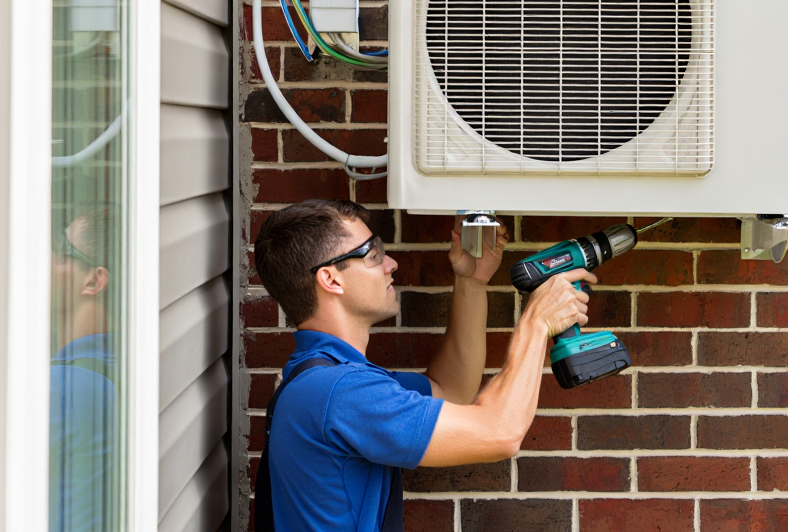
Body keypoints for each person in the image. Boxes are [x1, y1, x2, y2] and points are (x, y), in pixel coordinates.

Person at [254, 199, 594, 531]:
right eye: (372, 255)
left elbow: (452, 391)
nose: (391, 264)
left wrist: (472, 282)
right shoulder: (340, 392)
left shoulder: (321, 378)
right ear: (331, 280)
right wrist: (535, 323)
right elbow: (500, 433)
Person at [50, 205, 119, 532]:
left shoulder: (63, 386)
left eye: (62, 251)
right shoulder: (118, 370)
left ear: (93, 280)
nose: (48, 257)